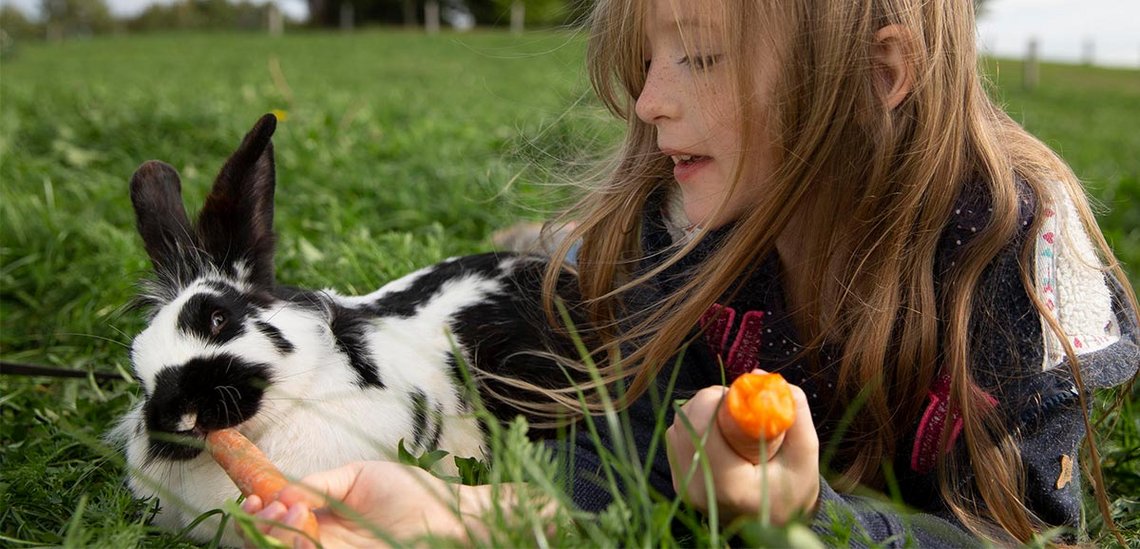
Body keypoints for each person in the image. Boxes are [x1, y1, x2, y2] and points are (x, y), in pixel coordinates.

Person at [240, 0, 1140, 546]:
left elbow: (1009, 533)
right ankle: (548, 243)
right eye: (648, 57)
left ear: (879, 71)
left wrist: (805, 518)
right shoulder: (675, 223)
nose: (647, 100)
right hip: (648, 253)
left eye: (698, 56)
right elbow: (618, 462)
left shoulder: (1012, 272)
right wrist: (459, 517)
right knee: (574, 268)